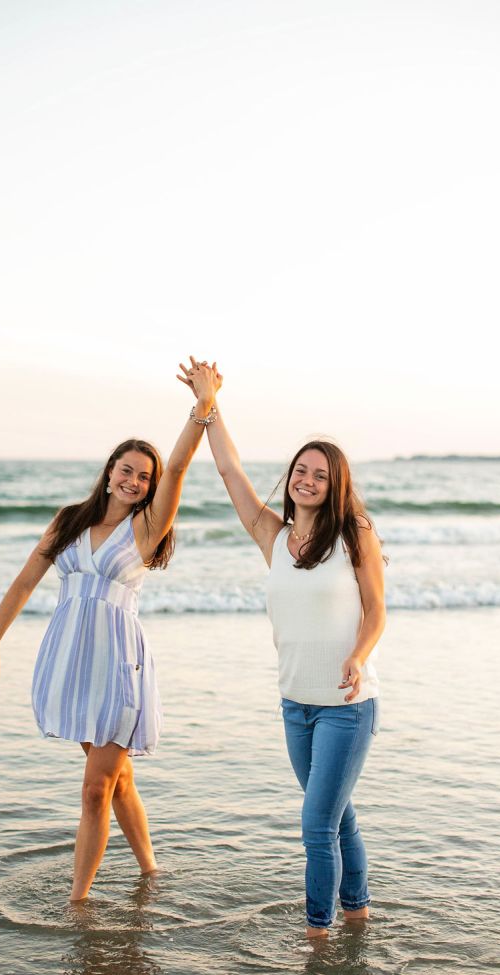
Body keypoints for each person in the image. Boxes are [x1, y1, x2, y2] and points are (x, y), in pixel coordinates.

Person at [0, 360, 221, 901]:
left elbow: (177, 468)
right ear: (109, 471)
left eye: (143, 476)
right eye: (126, 470)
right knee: (117, 780)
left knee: (94, 790)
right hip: (71, 661)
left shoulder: (146, 528)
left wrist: (201, 408)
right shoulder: (69, 521)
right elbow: (23, 584)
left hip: (117, 666)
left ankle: (78, 902)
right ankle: (151, 870)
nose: (134, 481)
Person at [178, 360, 385, 939]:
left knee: (317, 824)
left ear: (335, 483)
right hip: (295, 705)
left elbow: (376, 612)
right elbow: (228, 470)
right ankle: (358, 912)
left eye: (320, 474)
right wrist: (209, 402)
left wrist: (358, 655)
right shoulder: (273, 537)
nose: (308, 480)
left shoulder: (355, 535)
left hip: (347, 706)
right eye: (300, 471)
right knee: (338, 819)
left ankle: (317, 937)